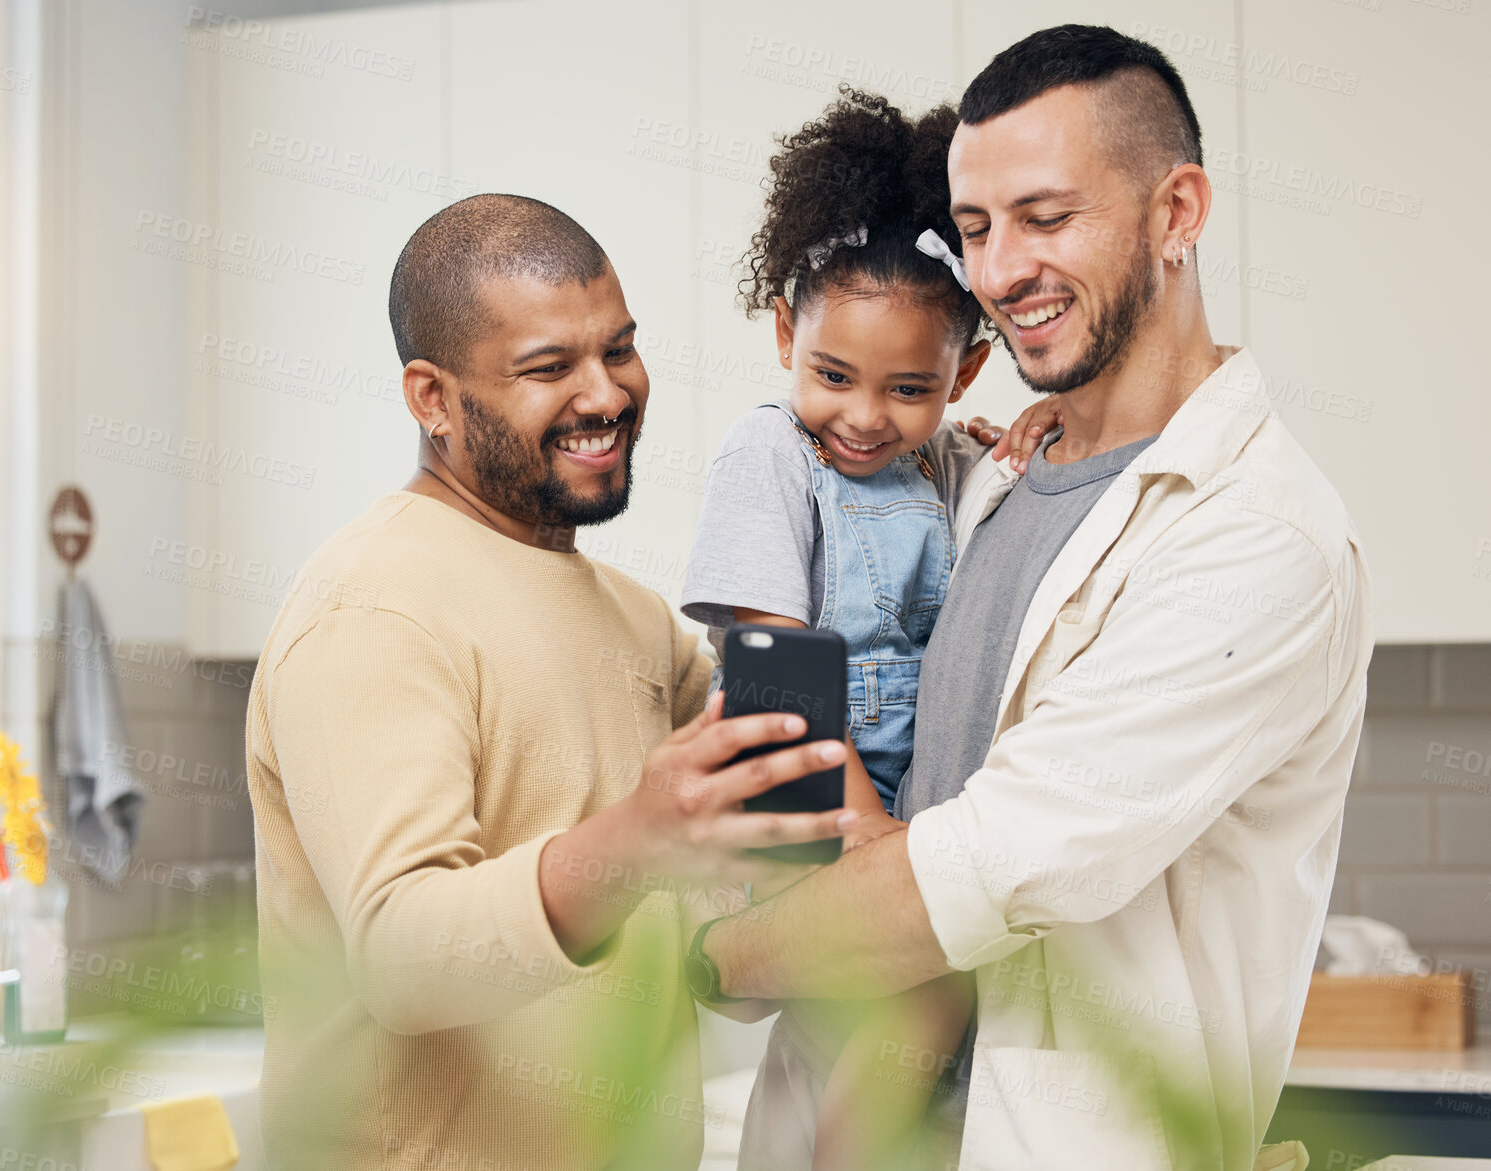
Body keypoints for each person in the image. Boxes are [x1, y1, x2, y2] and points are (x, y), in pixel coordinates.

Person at [697, 26, 1374, 1170]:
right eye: (975, 228)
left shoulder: (1255, 534)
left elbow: (992, 865)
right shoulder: (985, 471)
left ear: (1176, 212)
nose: (1001, 271)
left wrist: (705, 961)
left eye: (1046, 217)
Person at [244, 193, 863, 1170]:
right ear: (431, 398)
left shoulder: (635, 617)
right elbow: (402, 958)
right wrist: (640, 835)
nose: (606, 394)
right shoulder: (372, 609)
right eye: (549, 368)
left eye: (617, 349)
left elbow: (710, 917)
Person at [680, 91, 998, 1171]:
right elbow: (773, 660)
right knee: (930, 992)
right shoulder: (768, 456)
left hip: (902, 813)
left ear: (963, 377)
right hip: (801, 790)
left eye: (909, 388)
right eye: (833, 375)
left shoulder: (951, 464)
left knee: (876, 1019)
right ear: (783, 333)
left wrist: (1015, 445)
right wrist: (864, 830)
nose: (864, 415)